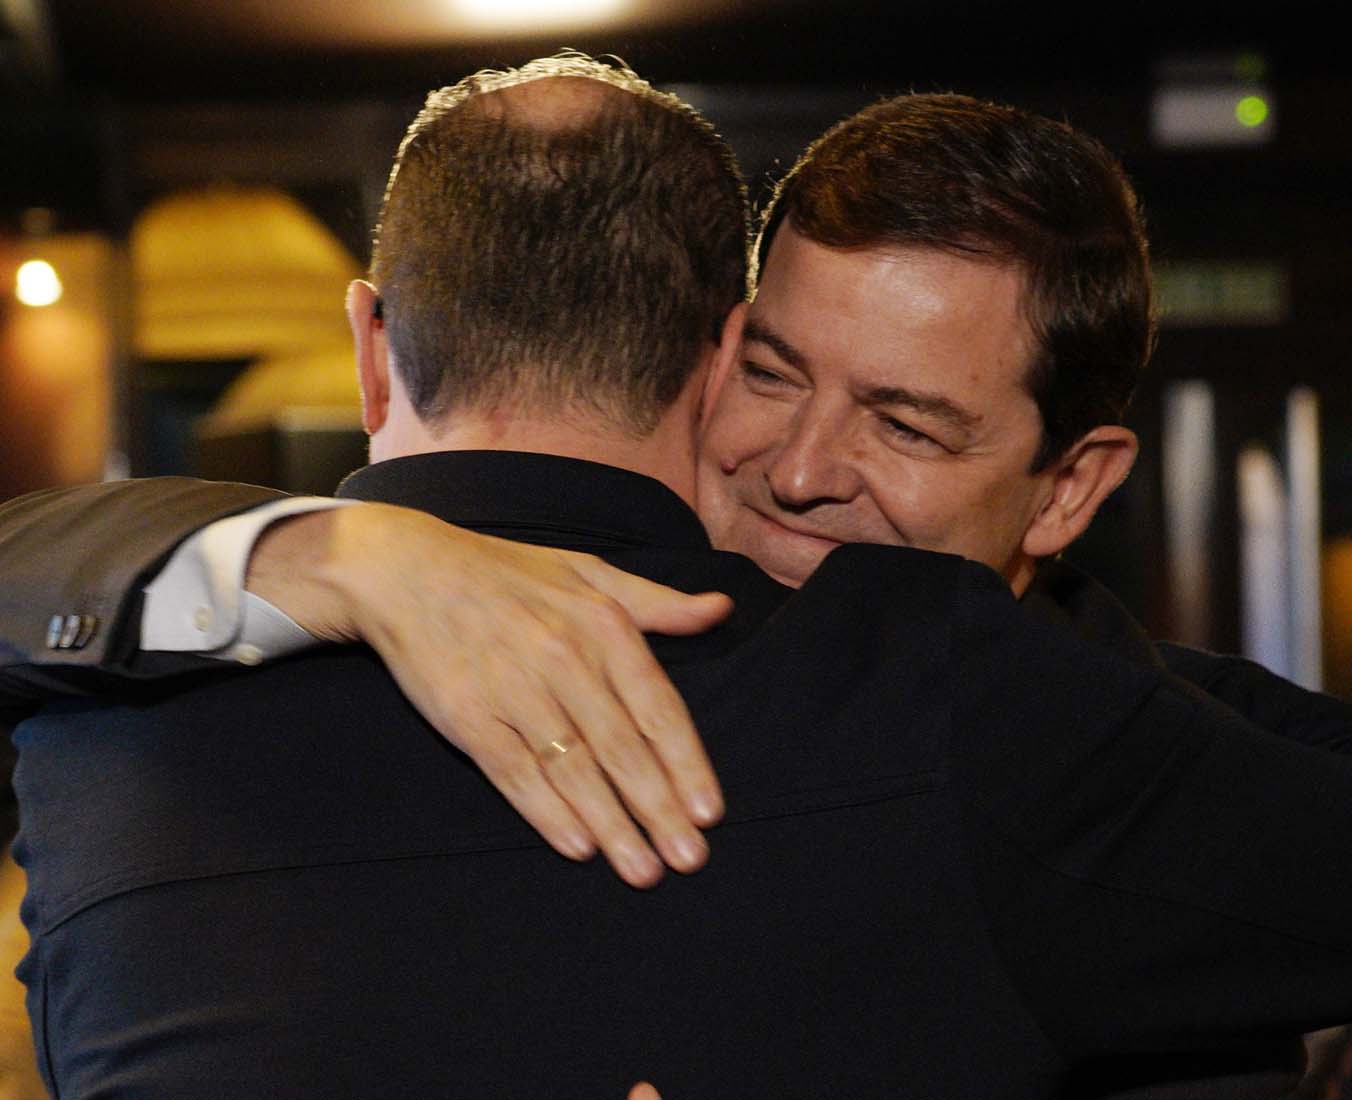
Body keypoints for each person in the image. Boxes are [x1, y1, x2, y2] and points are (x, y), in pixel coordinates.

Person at [9, 57, 1352, 1099]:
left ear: (1070, 489)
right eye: (774, 372)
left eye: (906, 423)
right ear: (715, 357)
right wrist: (315, 549)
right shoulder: (162, 653)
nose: (801, 465)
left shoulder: (92, 738)